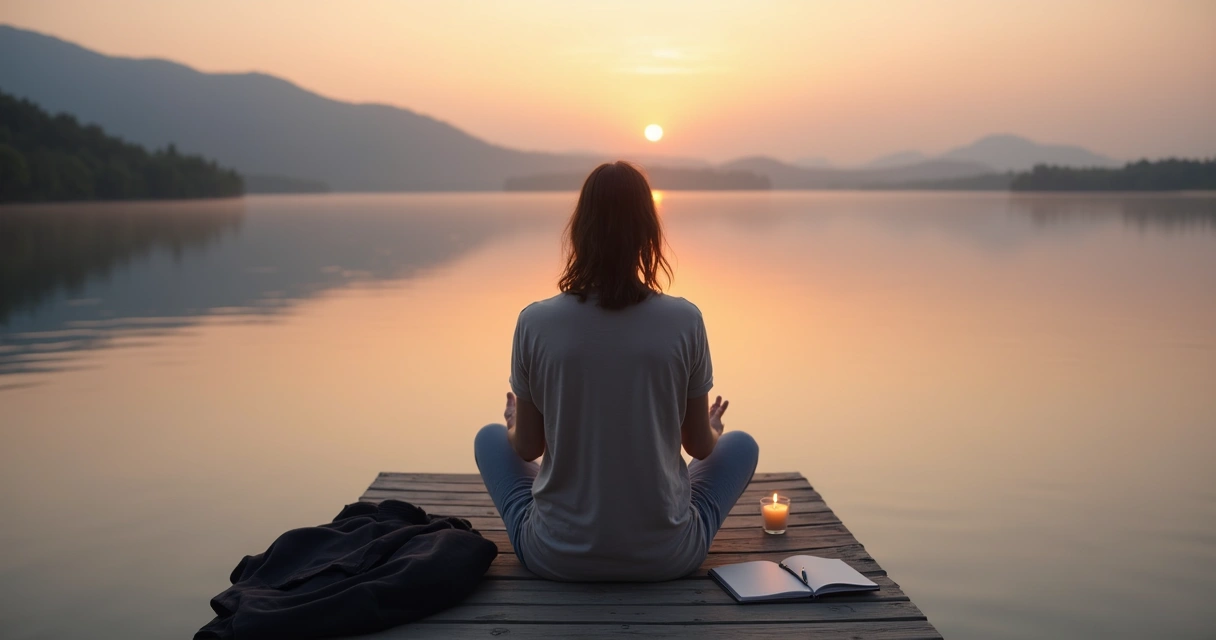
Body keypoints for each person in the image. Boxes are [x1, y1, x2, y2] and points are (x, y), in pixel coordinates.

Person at [473, 161, 759, 581]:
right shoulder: (684, 320)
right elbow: (699, 446)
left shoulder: (535, 322)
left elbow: (528, 447)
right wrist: (712, 427)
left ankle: (563, 506)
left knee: (490, 438)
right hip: (667, 557)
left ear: (579, 232)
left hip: (555, 555)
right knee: (741, 445)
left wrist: (515, 422)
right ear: (647, 235)